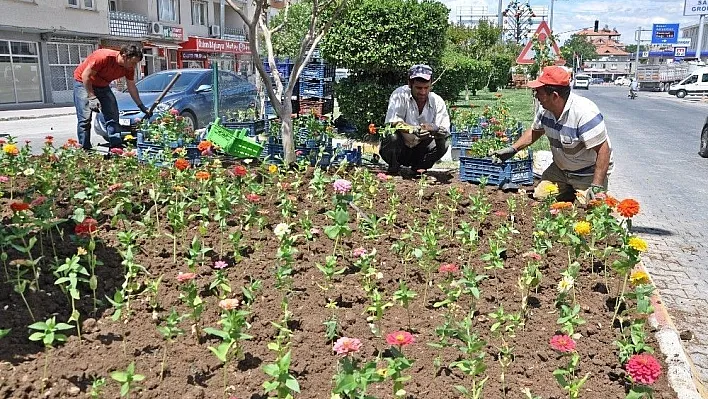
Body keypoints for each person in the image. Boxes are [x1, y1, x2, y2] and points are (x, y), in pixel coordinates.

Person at [494, 65, 613, 202]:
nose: (536, 96)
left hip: (587, 172)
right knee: (541, 196)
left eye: (539, 92)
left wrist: (596, 185)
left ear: (554, 96)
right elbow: (535, 131)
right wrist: (513, 149)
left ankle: (577, 191)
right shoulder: (545, 109)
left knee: (593, 207)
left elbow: (604, 150)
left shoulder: (584, 113)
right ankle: (568, 190)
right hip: (561, 170)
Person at [73, 45, 151, 150]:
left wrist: (141, 106)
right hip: (83, 83)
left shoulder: (129, 68)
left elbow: (131, 86)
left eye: (136, 63)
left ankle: (116, 148)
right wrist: (91, 97)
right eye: (133, 62)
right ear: (124, 56)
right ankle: (84, 148)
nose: (134, 65)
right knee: (85, 118)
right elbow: (85, 76)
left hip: (103, 85)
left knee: (112, 116)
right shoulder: (103, 57)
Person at [380, 64, 450, 176]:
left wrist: (434, 128)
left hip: (422, 149)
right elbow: (393, 122)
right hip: (402, 147)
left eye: (426, 88)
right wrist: (413, 129)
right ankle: (394, 168)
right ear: (410, 84)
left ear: (431, 85)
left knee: (443, 142)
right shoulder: (399, 95)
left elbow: (445, 129)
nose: (422, 92)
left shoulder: (437, 101)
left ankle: (419, 169)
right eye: (418, 88)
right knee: (391, 135)